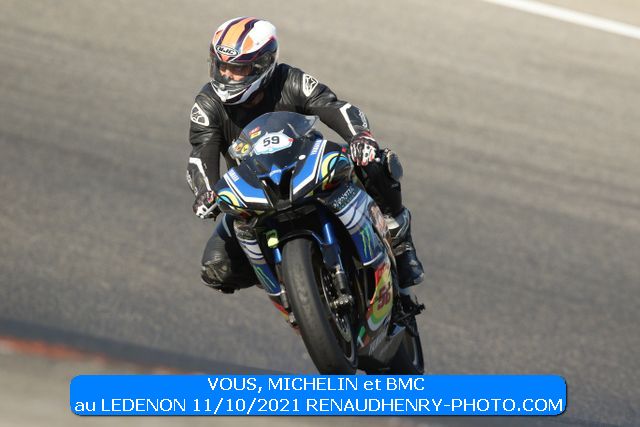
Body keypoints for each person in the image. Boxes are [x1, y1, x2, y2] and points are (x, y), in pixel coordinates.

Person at [187, 17, 424, 295]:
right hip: (253, 189)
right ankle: (291, 283)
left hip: (307, 167)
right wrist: (206, 192)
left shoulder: (290, 79)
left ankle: (400, 241)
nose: (227, 76)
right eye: (222, 66)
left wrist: (360, 136)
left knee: (374, 161)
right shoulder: (207, 104)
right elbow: (201, 151)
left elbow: (330, 105)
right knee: (216, 268)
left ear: (263, 65)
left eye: (238, 69)